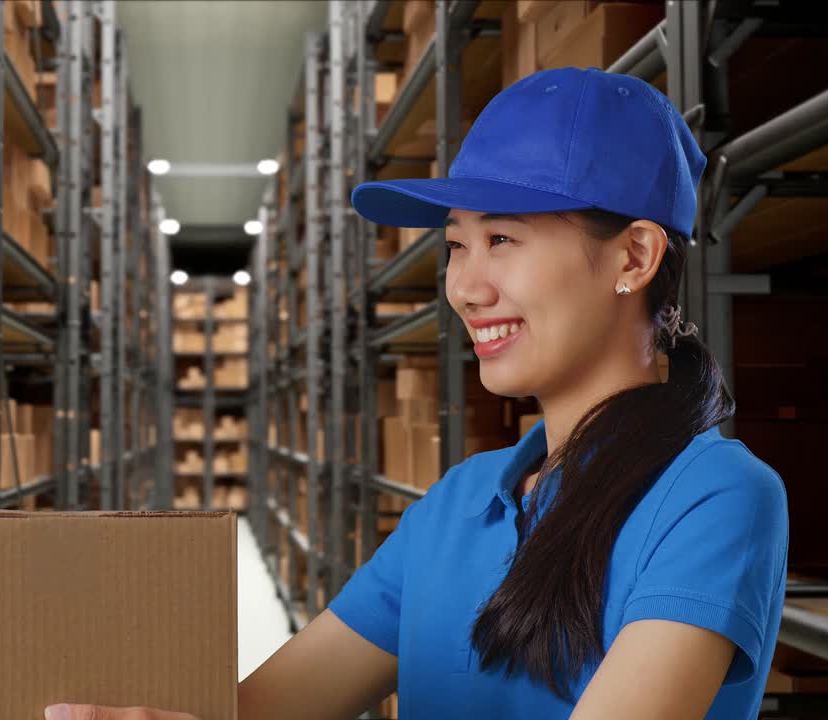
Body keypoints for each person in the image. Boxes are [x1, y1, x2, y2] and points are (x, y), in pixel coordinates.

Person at [45, 66, 789, 720]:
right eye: (456, 245)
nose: (464, 288)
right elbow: (268, 707)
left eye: (502, 239)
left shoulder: (716, 498)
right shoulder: (460, 503)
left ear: (633, 255)